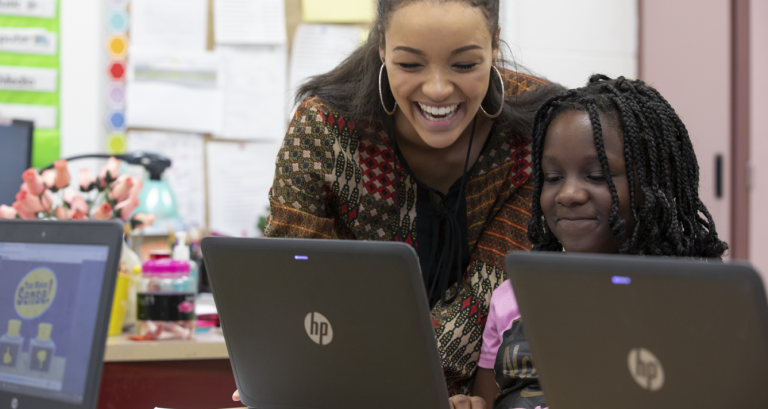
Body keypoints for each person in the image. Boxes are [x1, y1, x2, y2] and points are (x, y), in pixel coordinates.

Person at [231, 0, 565, 402]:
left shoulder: (537, 129)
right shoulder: (324, 128)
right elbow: (293, 285)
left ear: (495, 45)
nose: (437, 89)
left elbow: (490, 299)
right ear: (382, 48)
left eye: (463, 65)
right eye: (410, 65)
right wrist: (287, 371)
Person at [464, 75, 728, 409]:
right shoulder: (513, 298)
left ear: (653, 186)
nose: (569, 194)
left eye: (597, 176)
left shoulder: (696, 303)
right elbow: (490, 399)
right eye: (554, 177)